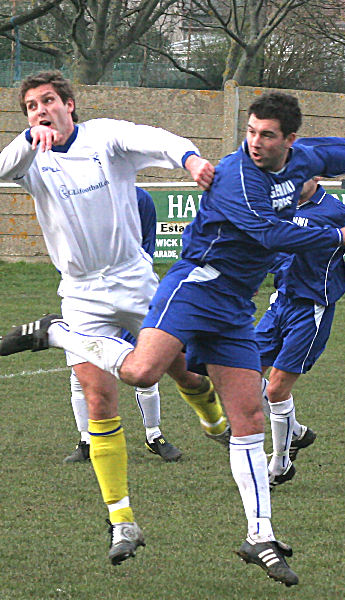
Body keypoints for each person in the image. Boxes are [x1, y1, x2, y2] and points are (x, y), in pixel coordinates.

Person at [2, 92, 345, 586]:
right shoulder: (238, 176)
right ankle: (59, 333)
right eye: (250, 131)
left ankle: (260, 535)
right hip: (196, 286)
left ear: (289, 141)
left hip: (235, 303)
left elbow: (338, 151)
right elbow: (269, 234)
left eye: (267, 135)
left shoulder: (304, 158)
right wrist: (340, 237)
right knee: (142, 372)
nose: (255, 142)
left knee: (248, 418)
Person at [0, 70, 230, 567]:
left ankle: (214, 421)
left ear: (69, 104)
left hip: (134, 281)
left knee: (183, 367)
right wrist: (25, 140)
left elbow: (156, 139)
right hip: (80, 294)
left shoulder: (105, 137)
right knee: (99, 399)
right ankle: (122, 520)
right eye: (30, 107)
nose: (40, 111)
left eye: (48, 102)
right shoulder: (28, 160)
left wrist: (189, 159)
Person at [256, 178, 345, 488]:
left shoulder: (333, 211)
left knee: (276, 389)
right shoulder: (280, 206)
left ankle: (280, 464)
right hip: (278, 303)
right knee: (242, 376)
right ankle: (293, 431)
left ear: (315, 175)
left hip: (310, 310)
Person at [64, 187, 182, 463]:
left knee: (147, 367)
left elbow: (146, 246)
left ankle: (154, 435)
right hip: (88, 297)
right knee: (80, 373)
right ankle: (87, 440)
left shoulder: (140, 199)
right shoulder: (76, 196)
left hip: (129, 294)